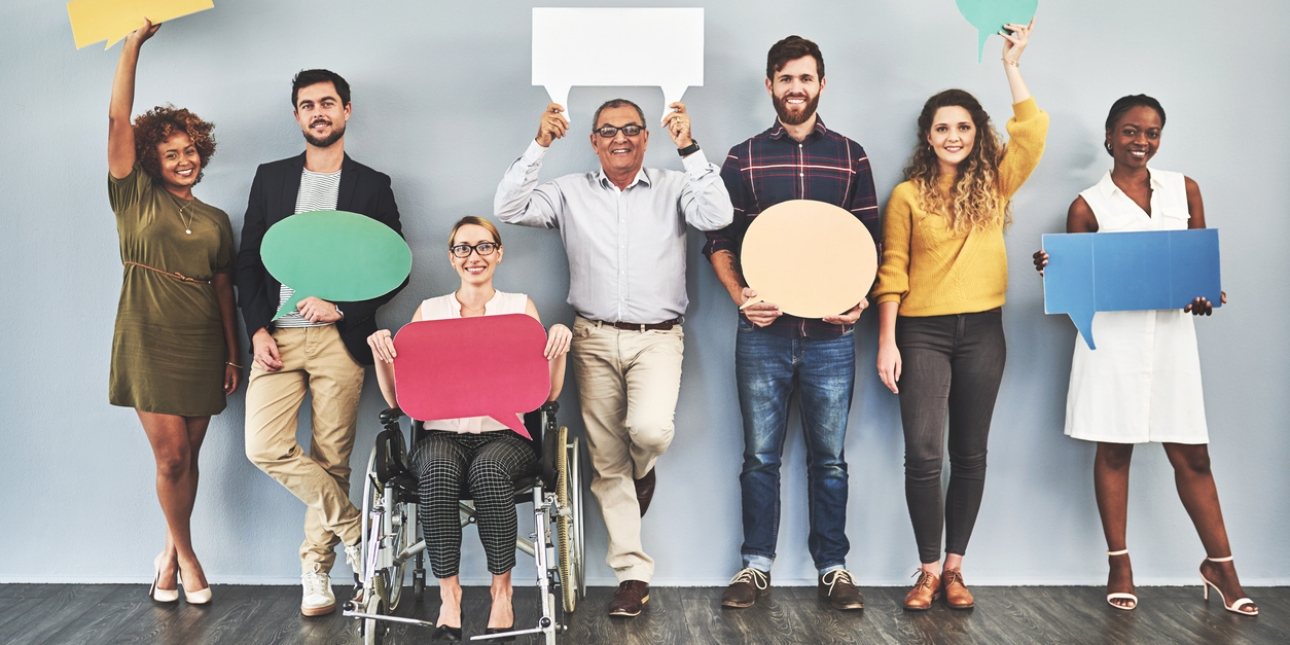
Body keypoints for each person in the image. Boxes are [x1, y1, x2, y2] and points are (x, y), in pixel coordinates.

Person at [494, 97, 733, 617]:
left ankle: (642, 471)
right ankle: (632, 574)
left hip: (658, 336)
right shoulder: (570, 192)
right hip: (592, 337)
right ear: (593, 140)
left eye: (630, 129)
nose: (619, 138)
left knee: (650, 431)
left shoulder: (673, 185)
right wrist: (540, 144)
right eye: (608, 130)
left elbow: (719, 213)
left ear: (647, 138)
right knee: (605, 461)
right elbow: (509, 207)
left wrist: (689, 146)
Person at [1031, 96, 1256, 615]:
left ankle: (1221, 565)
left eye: (1152, 133)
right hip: (1111, 342)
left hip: (1173, 338)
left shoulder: (1186, 189)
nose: (1141, 142)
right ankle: (1119, 562)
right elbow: (1078, 287)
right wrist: (1054, 267)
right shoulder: (1088, 205)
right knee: (1114, 448)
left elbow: (1200, 269)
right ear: (1109, 137)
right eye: (1131, 132)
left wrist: (1205, 294)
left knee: (1193, 454)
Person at [871, 20, 1046, 611]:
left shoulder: (995, 184)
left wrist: (1011, 64)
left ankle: (954, 570)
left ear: (977, 133)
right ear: (928, 135)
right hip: (921, 334)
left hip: (984, 334)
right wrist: (887, 341)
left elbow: (1033, 133)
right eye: (942, 127)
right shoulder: (906, 196)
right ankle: (924, 570)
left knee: (970, 453)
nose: (953, 135)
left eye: (963, 126)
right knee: (924, 455)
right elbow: (890, 271)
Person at [703, 35, 877, 611]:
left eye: (806, 78)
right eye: (785, 78)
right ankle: (755, 567)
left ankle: (833, 567)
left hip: (832, 337)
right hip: (763, 335)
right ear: (770, 84)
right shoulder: (743, 157)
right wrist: (738, 299)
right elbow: (719, 240)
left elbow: (869, 244)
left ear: (821, 84)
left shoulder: (851, 156)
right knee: (759, 458)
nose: (795, 88)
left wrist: (860, 300)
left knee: (829, 459)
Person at [237, 69, 406, 616]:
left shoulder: (372, 185)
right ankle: (358, 531)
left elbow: (395, 268)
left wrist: (344, 308)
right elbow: (247, 261)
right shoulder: (270, 178)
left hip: (340, 338)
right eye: (307, 105)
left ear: (347, 110)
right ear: (297, 115)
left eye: (328, 103)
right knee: (263, 446)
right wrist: (257, 328)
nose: (318, 112)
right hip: (278, 337)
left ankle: (316, 571)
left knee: (332, 460)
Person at [368, 216, 571, 641]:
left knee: (489, 471)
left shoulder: (520, 308)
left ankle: (502, 590)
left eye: (483, 246)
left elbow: (547, 393)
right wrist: (381, 355)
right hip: (440, 434)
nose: (473, 256)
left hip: (507, 436)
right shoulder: (430, 312)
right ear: (451, 258)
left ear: (499, 253)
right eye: (463, 248)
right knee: (438, 472)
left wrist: (557, 343)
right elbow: (395, 401)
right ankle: (451, 595)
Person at [106, 19, 239, 606]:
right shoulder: (133, 195)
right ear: (150, 159)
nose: (183, 160)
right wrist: (133, 45)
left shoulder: (215, 219)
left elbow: (224, 291)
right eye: (170, 153)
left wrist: (234, 355)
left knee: (189, 462)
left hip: (204, 343)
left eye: (190, 151)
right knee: (172, 455)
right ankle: (187, 556)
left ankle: (165, 554)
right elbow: (117, 120)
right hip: (147, 336)